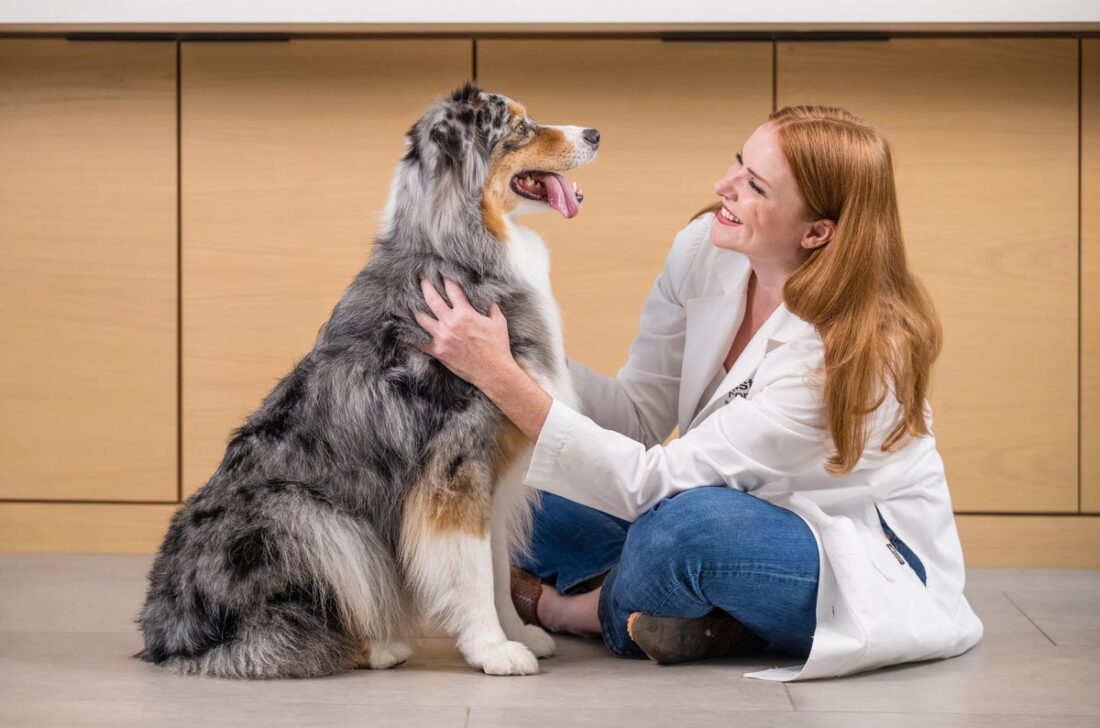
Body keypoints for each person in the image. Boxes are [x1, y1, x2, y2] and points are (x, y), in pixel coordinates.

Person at [411, 105, 983, 682]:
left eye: (754, 186)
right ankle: (685, 607)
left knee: (687, 531)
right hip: (693, 496)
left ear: (816, 232)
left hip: (847, 554)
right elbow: (636, 417)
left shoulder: (840, 356)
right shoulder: (706, 249)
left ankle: (580, 608)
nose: (723, 187)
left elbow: (644, 486)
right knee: (527, 488)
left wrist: (503, 377)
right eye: (739, 163)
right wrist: (517, 352)